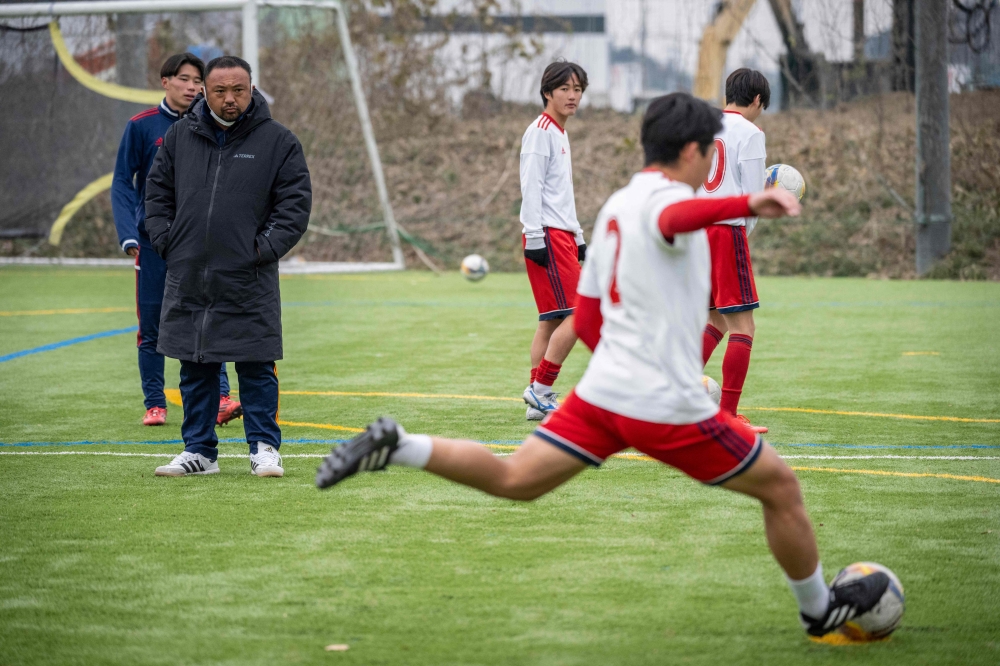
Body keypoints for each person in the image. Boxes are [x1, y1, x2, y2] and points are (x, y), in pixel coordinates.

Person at [315, 93, 889, 637]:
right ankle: (819, 611)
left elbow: (586, 319)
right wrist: (749, 202)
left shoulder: (617, 204)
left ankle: (401, 444)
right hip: (662, 404)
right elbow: (677, 219)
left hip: (603, 394)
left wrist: (619, 368)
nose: (714, 160)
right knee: (782, 488)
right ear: (691, 152)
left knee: (516, 479)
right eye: (711, 151)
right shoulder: (668, 202)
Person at [145, 56, 311, 478]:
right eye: (220, 91)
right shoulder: (180, 136)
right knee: (195, 364)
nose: (230, 98)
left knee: (256, 363)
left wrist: (261, 250)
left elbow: (294, 205)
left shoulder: (279, 141)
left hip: (248, 275)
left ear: (252, 89)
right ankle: (199, 453)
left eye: (239, 90)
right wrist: (168, 242)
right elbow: (157, 193)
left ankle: (264, 449)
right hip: (190, 274)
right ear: (205, 92)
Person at [112, 52, 242, 428]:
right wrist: (127, 233)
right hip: (153, 243)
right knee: (152, 323)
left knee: (205, 318)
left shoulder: (212, 124)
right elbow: (122, 182)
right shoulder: (141, 126)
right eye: (184, 78)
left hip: (199, 243)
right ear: (165, 81)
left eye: (197, 80)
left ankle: (219, 397)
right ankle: (155, 403)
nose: (192, 86)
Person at [698, 68, 771, 434]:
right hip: (727, 232)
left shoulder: (704, 125)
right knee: (744, 324)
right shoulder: (752, 133)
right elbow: (754, 200)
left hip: (697, 229)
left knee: (716, 319)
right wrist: (745, 232)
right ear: (757, 100)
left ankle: (671, 394)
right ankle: (727, 413)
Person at [519, 61, 588, 421]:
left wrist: (577, 236)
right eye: (565, 89)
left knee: (551, 319)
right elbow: (530, 187)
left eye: (577, 89)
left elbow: (561, 193)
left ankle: (537, 402)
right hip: (545, 234)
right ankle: (541, 389)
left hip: (561, 234)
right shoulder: (540, 131)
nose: (572, 96)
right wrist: (534, 236)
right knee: (579, 314)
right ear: (548, 92)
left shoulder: (560, 132)